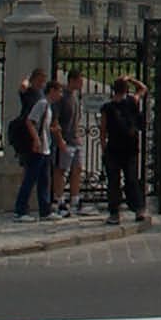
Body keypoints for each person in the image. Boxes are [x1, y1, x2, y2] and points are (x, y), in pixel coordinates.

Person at [100, 76, 149, 225]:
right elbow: (143, 89)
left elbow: (103, 130)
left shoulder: (107, 107)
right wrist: (131, 79)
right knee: (132, 179)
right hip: (130, 147)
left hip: (113, 148)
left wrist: (103, 148)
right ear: (126, 89)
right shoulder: (132, 101)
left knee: (113, 182)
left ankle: (115, 213)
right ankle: (138, 209)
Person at [14, 79, 62, 221]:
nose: (60, 95)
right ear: (52, 91)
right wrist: (36, 140)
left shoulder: (49, 106)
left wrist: (53, 130)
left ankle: (45, 210)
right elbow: (30, 121)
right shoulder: (42, 104)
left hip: (45, 148)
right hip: (38, 149)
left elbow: (44, 126)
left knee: (44, 181)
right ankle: (20, 210)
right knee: (29, 180)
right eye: (58, 91)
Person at [52, 68, 87, 215]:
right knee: (61, 171)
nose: (82, 84)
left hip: (74, 140)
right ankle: (59, 200)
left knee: (77, 169)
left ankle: (74, 199)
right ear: (72, 80)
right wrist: (60, 140)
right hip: (65, 140)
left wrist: (78, 132)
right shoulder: (62, 98)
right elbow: (55, 120)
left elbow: (76, 118)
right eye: (80, 81)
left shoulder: (75, 97)